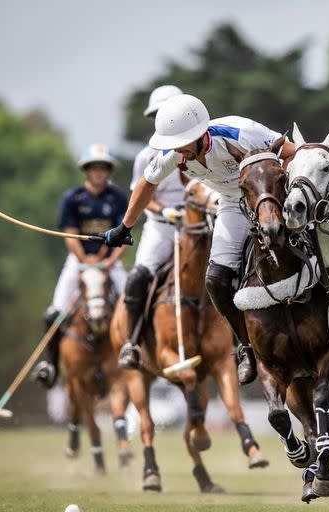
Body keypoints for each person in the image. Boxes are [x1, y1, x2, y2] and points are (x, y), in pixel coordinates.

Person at [100, 94, 296, 384]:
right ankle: (245, 348)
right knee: (215, 279)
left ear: (200, 134)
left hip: (270, 197)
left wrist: (283, 195)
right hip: (230, 203)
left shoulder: (240, 132)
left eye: (181, 143)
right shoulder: (175, 155)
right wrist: (125, 225)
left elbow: (292, 151)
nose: (177, 151)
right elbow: (146, 183)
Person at [32, 145, 129, 388]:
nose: (99, 172)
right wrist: (85, 262)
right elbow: (70, 235)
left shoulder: (117, 198)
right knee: (54, 312)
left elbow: (124, 236)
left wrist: (108, 262)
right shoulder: (72, 198)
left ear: (108, 171)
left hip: (110, 264)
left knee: (133, 306)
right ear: (87, 170)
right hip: (78, 263)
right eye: (94, 167)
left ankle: (137, 355)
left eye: (103, 167)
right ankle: (51, 366)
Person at [118, 85, 188, 370]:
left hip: (195, 225)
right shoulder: (145, 157)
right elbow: (141, 199)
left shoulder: (192, 147)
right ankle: (132, 343)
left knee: (226, 271)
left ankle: (240, 344)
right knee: (137, 277)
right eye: (159, 114)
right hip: (161, 228)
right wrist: (166, 211)